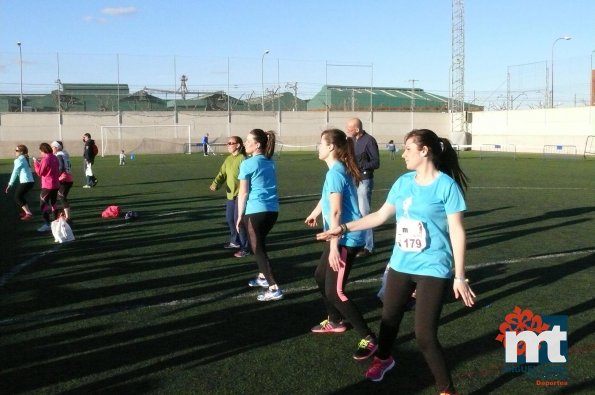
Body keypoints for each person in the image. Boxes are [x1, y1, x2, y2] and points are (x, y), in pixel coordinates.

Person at [317, 129, 476, 393]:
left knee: (424, 336)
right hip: (401, 265)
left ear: (424, 151)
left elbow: (458, 231)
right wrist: (343, 229)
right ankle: (384, 359)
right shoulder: (403, 182)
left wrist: (459, 276)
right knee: (388, 320)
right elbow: (380, 216)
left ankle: (447, 389)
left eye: (408, 149)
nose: (402, 154)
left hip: (433, 267)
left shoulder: (446, 186)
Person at [305, 128, 378, 361]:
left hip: (345, 239)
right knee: (319, 275)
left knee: (335, 292)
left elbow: (336, 211)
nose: (318, 147)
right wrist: (315, 213)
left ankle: (369, 338)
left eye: (320, 143)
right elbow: (328, 199)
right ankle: (335, 321)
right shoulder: (336, 172)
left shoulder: (335, 173)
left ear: (331, 148)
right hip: (337, 236)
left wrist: (335, 246)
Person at [236, 129, 282, 301]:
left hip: (255, 211)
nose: (245, 144)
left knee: (258, 249)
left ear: (257, 145)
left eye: (249, 141)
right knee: (260, 244)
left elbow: (243, 193)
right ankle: (263, 277)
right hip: (272, 211)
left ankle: (274, 288)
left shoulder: (247, 163)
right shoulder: (270, 162)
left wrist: (239, 215)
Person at [210, 136, 250, 258]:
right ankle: (235, 241)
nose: (227, 145)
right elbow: (222, 173)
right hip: (230, 195)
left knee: (239, 222)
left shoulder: (243, 159)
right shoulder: (228, 159)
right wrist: (215, 184)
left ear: (238, 145)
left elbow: (247, 178)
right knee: (230, 219)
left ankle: (245, 247)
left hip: (240, 195)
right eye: (227, 143)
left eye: (230, 143)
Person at [345, 117, 380, 257]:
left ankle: (368, 246)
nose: (347, 130)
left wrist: (360, 167)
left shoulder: (369, 140)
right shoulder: (351, 141)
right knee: (355, 213)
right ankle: (357, 243)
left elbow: (376, 162)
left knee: (364, 213)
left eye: (350, 128)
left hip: (364, 181)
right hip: (352, 180)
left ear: (357, 129)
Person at [33, 142, 60, 232]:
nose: (40, 153)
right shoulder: (55, 157)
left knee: (43, 204)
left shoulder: (46, 159)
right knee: (54, 203)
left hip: (48, 185)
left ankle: (47, 224)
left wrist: (36, 163)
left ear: (43, 150)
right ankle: (56, 222)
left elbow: (40, 173)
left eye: (41, 151)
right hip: (56, 184)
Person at [5, 144, 35, 220]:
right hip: (31, 181)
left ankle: (28, 213)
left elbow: (14, 172)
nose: (15, 152)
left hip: (26, 182)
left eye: (17, 150)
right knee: (20, 196)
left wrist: (10, 184)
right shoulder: (27, 158)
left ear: (21, 152)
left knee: (17, 197)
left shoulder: (19, 160)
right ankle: (27, 212)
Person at [51, 141, 74, 222]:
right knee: (61, 196)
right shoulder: (64, 154)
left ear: (57, 147)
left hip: (64, 178)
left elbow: (61, 167)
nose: (51, 148)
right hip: (68, 177)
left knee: (61, 196)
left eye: (52, 147)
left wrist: (56, 175)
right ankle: (65, 214)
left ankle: (68, 217)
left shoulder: (59, 155)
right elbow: (69, 165)